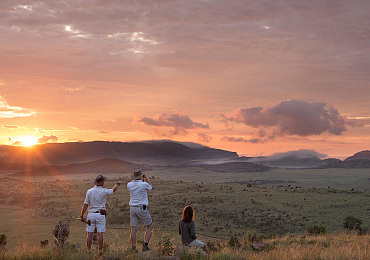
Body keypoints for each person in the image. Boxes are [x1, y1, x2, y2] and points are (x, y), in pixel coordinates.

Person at [80, 175, 121, 254]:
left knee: (90, 233)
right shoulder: (104, 191)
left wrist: (81, 215)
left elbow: (85, 204)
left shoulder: (89, 191)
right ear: (103, 183)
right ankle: (100, 251)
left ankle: (88, 250)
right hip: (100, 215)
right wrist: (117, 184)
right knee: (100, 233)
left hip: (91, 214)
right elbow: (113, 190)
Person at [127, 169, 154, 252]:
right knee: (150, 226)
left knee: (134, 229)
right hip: (141, 207)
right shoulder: (144, 184)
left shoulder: (129, 185)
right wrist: (145, 177)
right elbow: (151, 187)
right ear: (141, 176)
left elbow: (134, 184)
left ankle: (133, 247)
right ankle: (145, 245)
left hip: (132, 208)